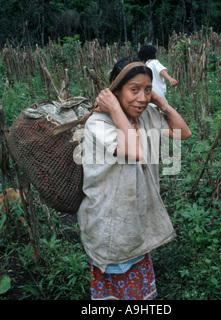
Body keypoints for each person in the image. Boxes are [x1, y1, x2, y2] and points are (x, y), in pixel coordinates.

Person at [77, 56, 191, 300]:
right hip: (110, 221)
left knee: (137, 275)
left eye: (147, 89)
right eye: (134, 90)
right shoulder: (98, 124)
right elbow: (134, 151)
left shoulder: (145, 116)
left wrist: (159, 101)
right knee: (117, 280)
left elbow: (184, 132)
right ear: (115, 91)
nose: (142, 98)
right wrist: (115, 109)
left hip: (135, 216)